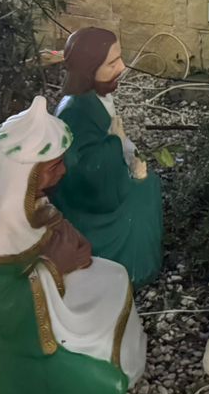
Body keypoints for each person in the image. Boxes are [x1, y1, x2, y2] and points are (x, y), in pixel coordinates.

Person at [0, 97, 146, 394]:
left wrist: (69, 246)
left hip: (50, 286)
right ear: (27, 172)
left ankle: (126, 361)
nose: (62, 171)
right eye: (53, 166)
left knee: (114, 276)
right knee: (107, 387)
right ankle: (71, 382)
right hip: (33, 333)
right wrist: (54, 267)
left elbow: (52, 227)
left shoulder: (26, 199)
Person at [50, 27, 164, 286]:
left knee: (149, 183)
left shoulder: (94, 97)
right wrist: (114, 142)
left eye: (119, 58)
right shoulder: (74, 112)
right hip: (88, 203)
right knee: (143, 194)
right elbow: (82, 170)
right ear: (89, 70)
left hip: (106, 181)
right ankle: (132, 269)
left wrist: (125, 151)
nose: (122, 67)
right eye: (112, 63)